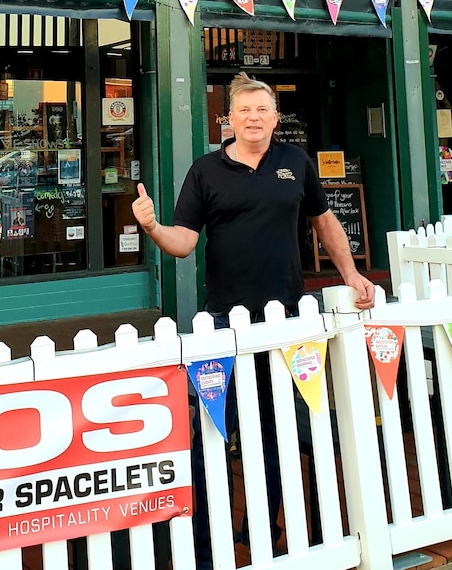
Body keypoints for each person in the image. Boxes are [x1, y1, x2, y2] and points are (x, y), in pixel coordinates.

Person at [132, 72, 375, 568]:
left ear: (275, 117)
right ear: (229, 119)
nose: (253, 118)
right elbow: (184, 243)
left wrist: (351, 274)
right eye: (243, 111)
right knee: (211, 431)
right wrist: (153, 227)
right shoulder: (206, 171)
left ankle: (265, 525)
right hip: (223, 322)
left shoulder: (295, 163)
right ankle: (206, 539)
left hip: (289, 320)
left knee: (280, 428)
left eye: (262, 110)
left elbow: (324, 221)